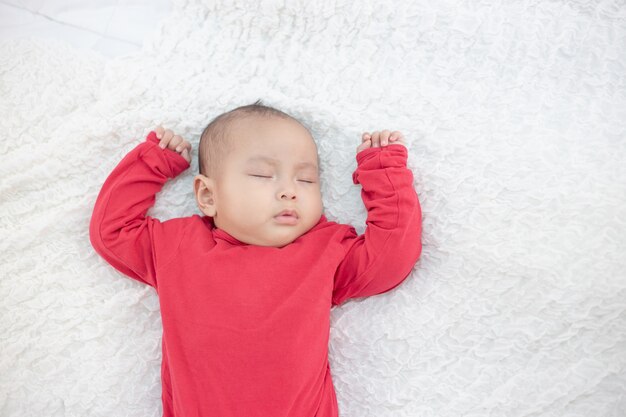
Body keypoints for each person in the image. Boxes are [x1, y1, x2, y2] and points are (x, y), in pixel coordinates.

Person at [89, 99, 422, 417]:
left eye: (306, 180)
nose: (290, 191)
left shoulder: (324, 250)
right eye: (263, 175)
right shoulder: (179, 246)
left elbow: (390, 258)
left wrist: (383, 173)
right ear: (207, 195)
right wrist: (152, 163)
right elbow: (113, 230)